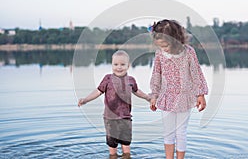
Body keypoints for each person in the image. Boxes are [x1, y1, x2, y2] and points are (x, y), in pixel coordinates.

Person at [78, 50, 155, 159]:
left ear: (128, 66)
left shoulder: (131, 80)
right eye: (116, 64)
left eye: (122, 64)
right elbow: (98, 91)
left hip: (125, 118)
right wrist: (85, 100)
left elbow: (137, 91)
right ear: (112, 65)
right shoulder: (107, 79)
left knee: (126, 146)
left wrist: (148, 98)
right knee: (112, 147)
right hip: (110, 119)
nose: (119, 67)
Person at [148, 19, 208, 159]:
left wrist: (200, 94)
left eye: (166, 45)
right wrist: (154, 95)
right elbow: (157, 74)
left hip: (184, 97)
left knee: (181, 131)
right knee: (168, 132)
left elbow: (196, 73)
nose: (164, 49)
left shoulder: (188, 52)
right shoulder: (160, 54)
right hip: (166, 97)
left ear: (176, 39)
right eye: (160, 46)